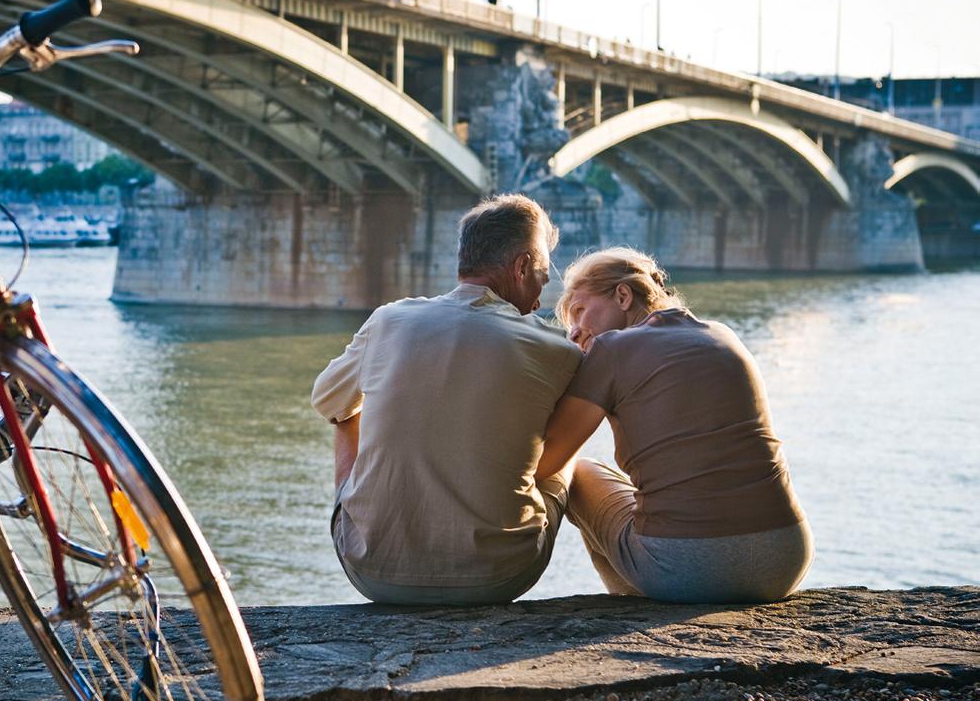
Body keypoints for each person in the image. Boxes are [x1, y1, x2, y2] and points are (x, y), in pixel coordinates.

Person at [311, 194, 581, 605]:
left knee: (344, 411)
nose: (539, 302)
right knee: (572, 453)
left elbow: (326, 400)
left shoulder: (389, 320)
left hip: (371, 571)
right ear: (522, 266)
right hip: (498, 577)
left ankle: (372, 526)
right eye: (542, 279)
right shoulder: (555, 348)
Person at [537, 247, 813, 604]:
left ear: (623, 295)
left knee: (580, 472)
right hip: (785, 559)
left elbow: (547, 462)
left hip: (686, 568)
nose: (575, 332)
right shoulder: (722, 334)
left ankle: (631, 604)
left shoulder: (610, 349)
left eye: (579, 311)